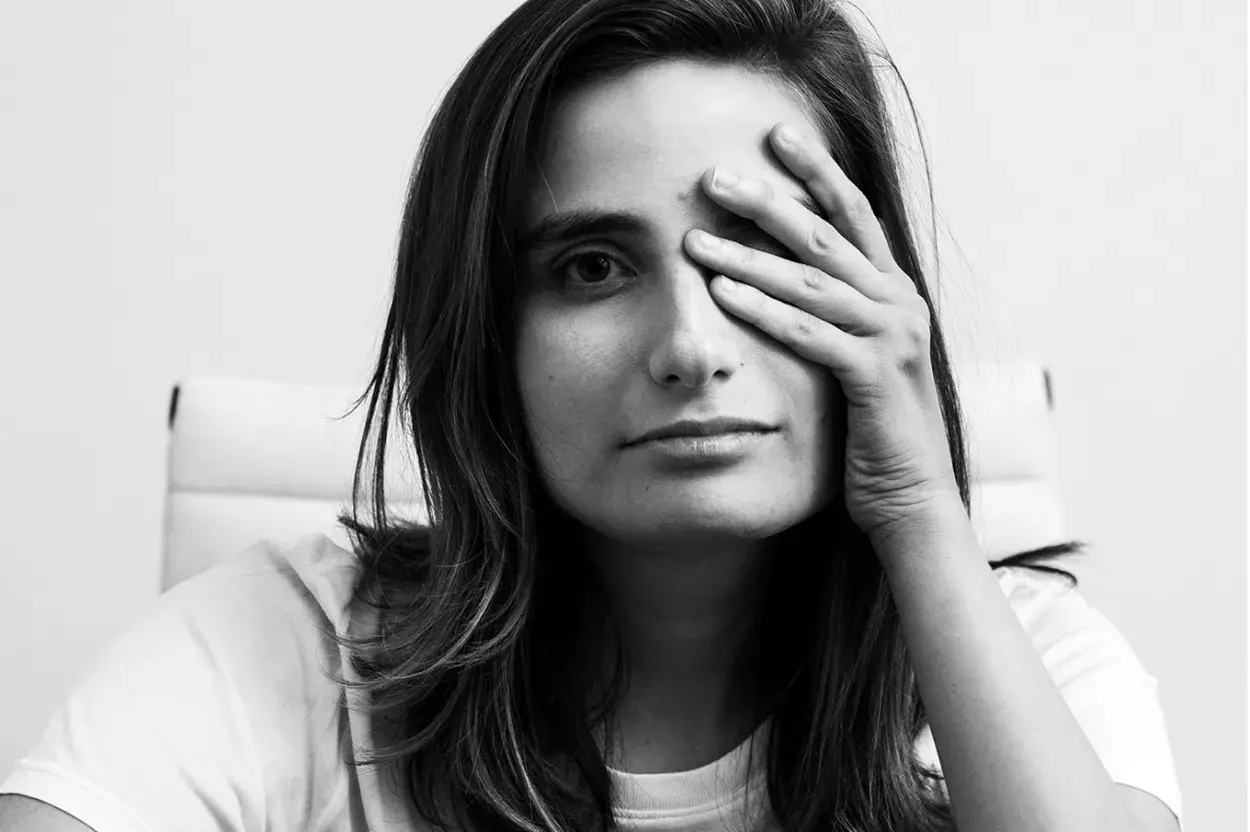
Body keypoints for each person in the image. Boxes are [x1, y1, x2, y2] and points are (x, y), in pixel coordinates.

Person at [0, 0, 1183, 830]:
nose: (689, 348)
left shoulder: (1035, 662)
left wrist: (918, 508)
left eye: (764, 253)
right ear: (487, 338)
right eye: (591, 269)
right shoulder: (281, 647)